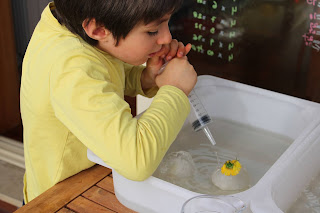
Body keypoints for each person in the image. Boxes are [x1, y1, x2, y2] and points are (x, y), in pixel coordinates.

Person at [20, 0, 197, 203]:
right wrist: (175, 89)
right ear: (98, 30)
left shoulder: (70, 24)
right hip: (61, 199)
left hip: (87, 176)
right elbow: (136, 161)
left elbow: (103, 74)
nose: (167, 38)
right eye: (153, 31)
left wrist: (147, 77)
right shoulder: (72, 70)